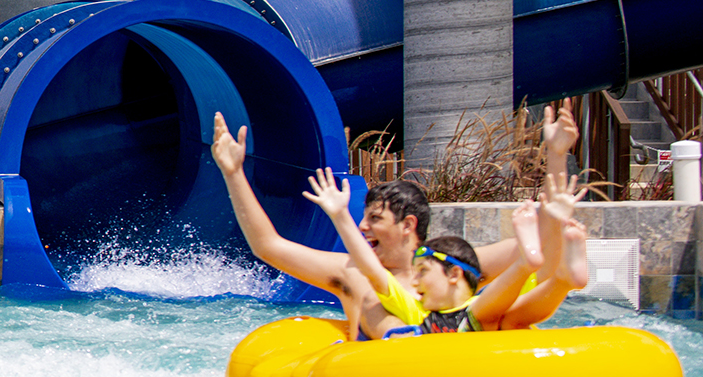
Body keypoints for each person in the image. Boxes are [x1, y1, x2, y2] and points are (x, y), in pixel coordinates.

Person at [210, 100, 583, 334]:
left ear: (408, 226)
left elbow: (543, 244)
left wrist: (556, 155)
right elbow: (268, 246)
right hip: (390, 374)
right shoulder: (351, 272)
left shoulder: (452, 264)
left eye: (375, 219)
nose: (363, 226)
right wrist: (233, 173)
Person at [305, 167, 546, 336]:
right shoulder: (427, 309)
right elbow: (370, 268)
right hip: (469, 325)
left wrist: (341, 216)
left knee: (503, 308)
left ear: (454, 274)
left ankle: (526, 266)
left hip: (462, 326)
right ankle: (525, 267)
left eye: (423, 271)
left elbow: (372, 270)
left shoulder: (421, 311)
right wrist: (340, 216)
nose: (415, 280)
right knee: (504, 309)